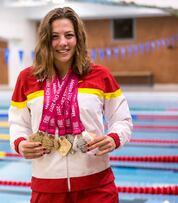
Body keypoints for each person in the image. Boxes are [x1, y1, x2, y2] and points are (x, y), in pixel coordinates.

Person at [8, 7, 132, 203]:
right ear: (46, 40)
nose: (62, 43)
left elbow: (122, 118)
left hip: (96, 186)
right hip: (47, 188)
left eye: (69, 35)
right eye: (55, 36)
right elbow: (18, 124)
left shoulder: (100, 75)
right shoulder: (27, 79)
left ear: (78, 38)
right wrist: (20, 143)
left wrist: (114, 138)